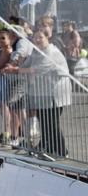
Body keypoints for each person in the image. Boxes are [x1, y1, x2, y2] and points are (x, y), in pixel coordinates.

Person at [9, 28, 71, 157]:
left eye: (40, 37)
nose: (37, 40)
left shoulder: (52, 52)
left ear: (48, 37)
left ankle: (61, 151)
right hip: (42, 93)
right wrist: (15, 65)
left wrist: (16, 70)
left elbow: (38, 69)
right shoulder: (36, 52)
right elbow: (26, 65)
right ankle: (47, 148)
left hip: (55, 95)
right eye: (35, 38)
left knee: (52, 124)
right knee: (44, 122)